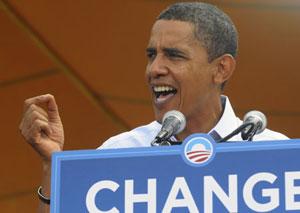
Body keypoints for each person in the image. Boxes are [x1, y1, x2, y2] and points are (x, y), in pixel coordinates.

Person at [19, 2, 288, 212]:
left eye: (174, 55)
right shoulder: (120, 152)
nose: (154, 69)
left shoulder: (276, 156)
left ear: (221, 69)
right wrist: (52, 167)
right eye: (151, 55)